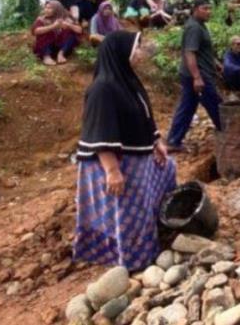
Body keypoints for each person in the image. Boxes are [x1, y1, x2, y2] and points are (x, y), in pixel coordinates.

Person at [73, 31, 176, 271]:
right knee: (130, 208)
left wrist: (156, 141)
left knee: (169, 169)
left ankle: (158, 230)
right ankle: (132, 257)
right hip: (113, 162)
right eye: (135, 48)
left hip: (136, 156)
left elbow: (143, 115)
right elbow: (100, 131)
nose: (139, 53)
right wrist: (112, 171)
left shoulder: (128, 81)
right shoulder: (102, 89)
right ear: (121, 52)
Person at [166, 0, 222, 152]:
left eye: (210, 8)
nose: (209, 12)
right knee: (215, 104)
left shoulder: (199, 25)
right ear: (195, 9)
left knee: (187, 107)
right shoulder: (194, 28)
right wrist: (197, 77)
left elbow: (201, 50)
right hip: (197, 74)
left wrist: (216, 63)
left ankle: (173, 140)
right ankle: (228, 133)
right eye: (205, 8)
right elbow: (189, 53)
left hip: (195, 73)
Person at [31, 0, 83, 65]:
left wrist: (69, 25)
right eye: (46, 8)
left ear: (57, 9)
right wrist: (53, 26)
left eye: (50, 8)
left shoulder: (65, 17)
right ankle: (46, 57)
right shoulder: (42, 19)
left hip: (63, 47)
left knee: (70, 32)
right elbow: (36, 31)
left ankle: (61, 54)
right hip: (47, 47)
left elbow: (79, 30)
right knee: (45, 32)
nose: (46, 10)